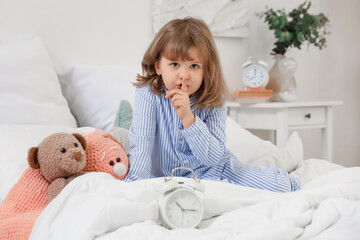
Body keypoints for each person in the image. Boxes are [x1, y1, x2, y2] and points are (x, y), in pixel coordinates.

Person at [125, 17, 300, 192]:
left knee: (281, 186)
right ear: (158, 66)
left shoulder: (214, 100)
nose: (184, 75)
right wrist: (135, 185)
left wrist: (189, 119)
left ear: (206, 69)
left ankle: (282, 171)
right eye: (175, 64)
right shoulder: (147, 94)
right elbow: (141, 144)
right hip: (166, 177)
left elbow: (213, 158)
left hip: (214, 170)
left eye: (194, 66)